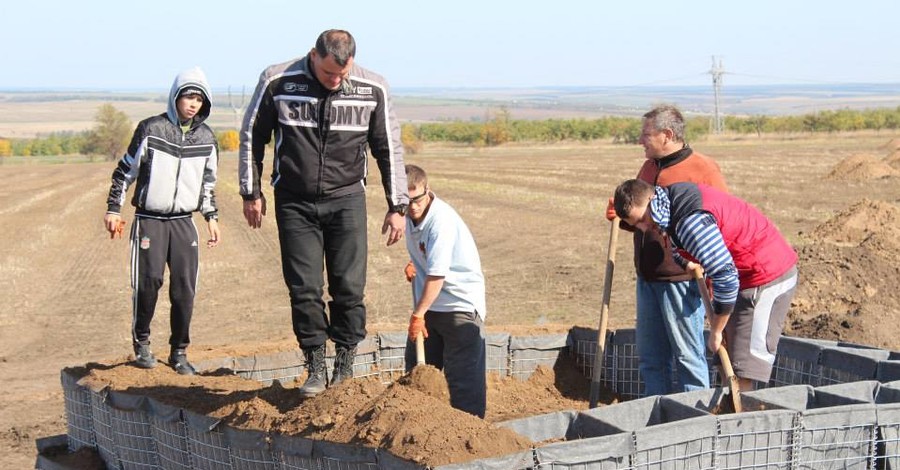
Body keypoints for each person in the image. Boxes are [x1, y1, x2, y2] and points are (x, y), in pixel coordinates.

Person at [238, 29, 408, 397]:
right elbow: (252, 136)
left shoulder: (371, 88)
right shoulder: (277, 81)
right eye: (330, 74)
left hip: (347, 199)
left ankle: (344, 363)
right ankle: (315, 363)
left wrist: (398, 205)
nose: (336, 81)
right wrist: (251, 192)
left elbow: (388, 147)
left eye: (342, 75)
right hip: (294, 201)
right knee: (304, 289)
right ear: (313, 56)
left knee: (349, 287)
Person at [613, 179, 799, 391]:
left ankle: (745, 417)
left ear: (650, 198)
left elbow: (726, 278)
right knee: (725, 354)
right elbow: (677, 244)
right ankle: (726, 414)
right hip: (743, 275)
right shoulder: (669, 202)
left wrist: (716, 330)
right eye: (636, 224)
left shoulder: (689, 221)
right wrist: (687, 262)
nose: (644, 228)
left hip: (767, 273)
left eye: (643, 219)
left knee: (743, 365)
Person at [605, 105, 728, 396]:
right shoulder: (649, 167)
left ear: (667, 134)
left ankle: (693, 422)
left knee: (688, 356)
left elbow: (720, 222)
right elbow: (643, 218)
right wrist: (621, 216)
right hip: (647, 278)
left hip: (681, 281)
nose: (640, 141)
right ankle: (656, 420)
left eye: (646, 134)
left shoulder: (703, 169)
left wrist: (709, 278)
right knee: (650, 358)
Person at [104, 67, 220, 375]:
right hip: (149, 220)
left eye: (199, 98)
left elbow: (208, 182)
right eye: (188, 96)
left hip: (183, 222)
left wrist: (211, 216)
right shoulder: (151, 129)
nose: (193, 104)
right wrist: (113, 209)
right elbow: (124, 172)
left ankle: (179, 352)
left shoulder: (207, 137)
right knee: (149, 282)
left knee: (184, 287)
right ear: (175, 97)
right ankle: (142, 343)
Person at [403, 164, 487, 418]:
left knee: (463, 381)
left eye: (417, 199)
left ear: (428, 190)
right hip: (432, 305)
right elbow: (428, 253)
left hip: (458, 304)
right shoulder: (408, 214)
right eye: (406, 201)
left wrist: (418, 314)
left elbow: (438, 275)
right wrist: (416, 260)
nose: (413, 206)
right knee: (418, 374)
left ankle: (469, 438)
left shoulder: (442, 220)